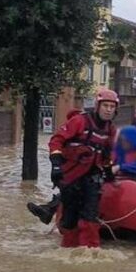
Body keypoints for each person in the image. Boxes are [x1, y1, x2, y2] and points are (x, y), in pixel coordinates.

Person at [46, 89, 119, 248]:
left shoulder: (111, 130)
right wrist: (56, 166)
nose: (108, 109)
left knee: (90, 216)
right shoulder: (79, 121)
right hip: (71, 177)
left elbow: (107, 156)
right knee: (69, 219)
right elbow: (56, 141)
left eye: (112, 107)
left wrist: (110, 175)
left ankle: (91, 252)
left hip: (92, 177)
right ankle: (69, 250)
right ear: (97, 106)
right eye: (105, 105)